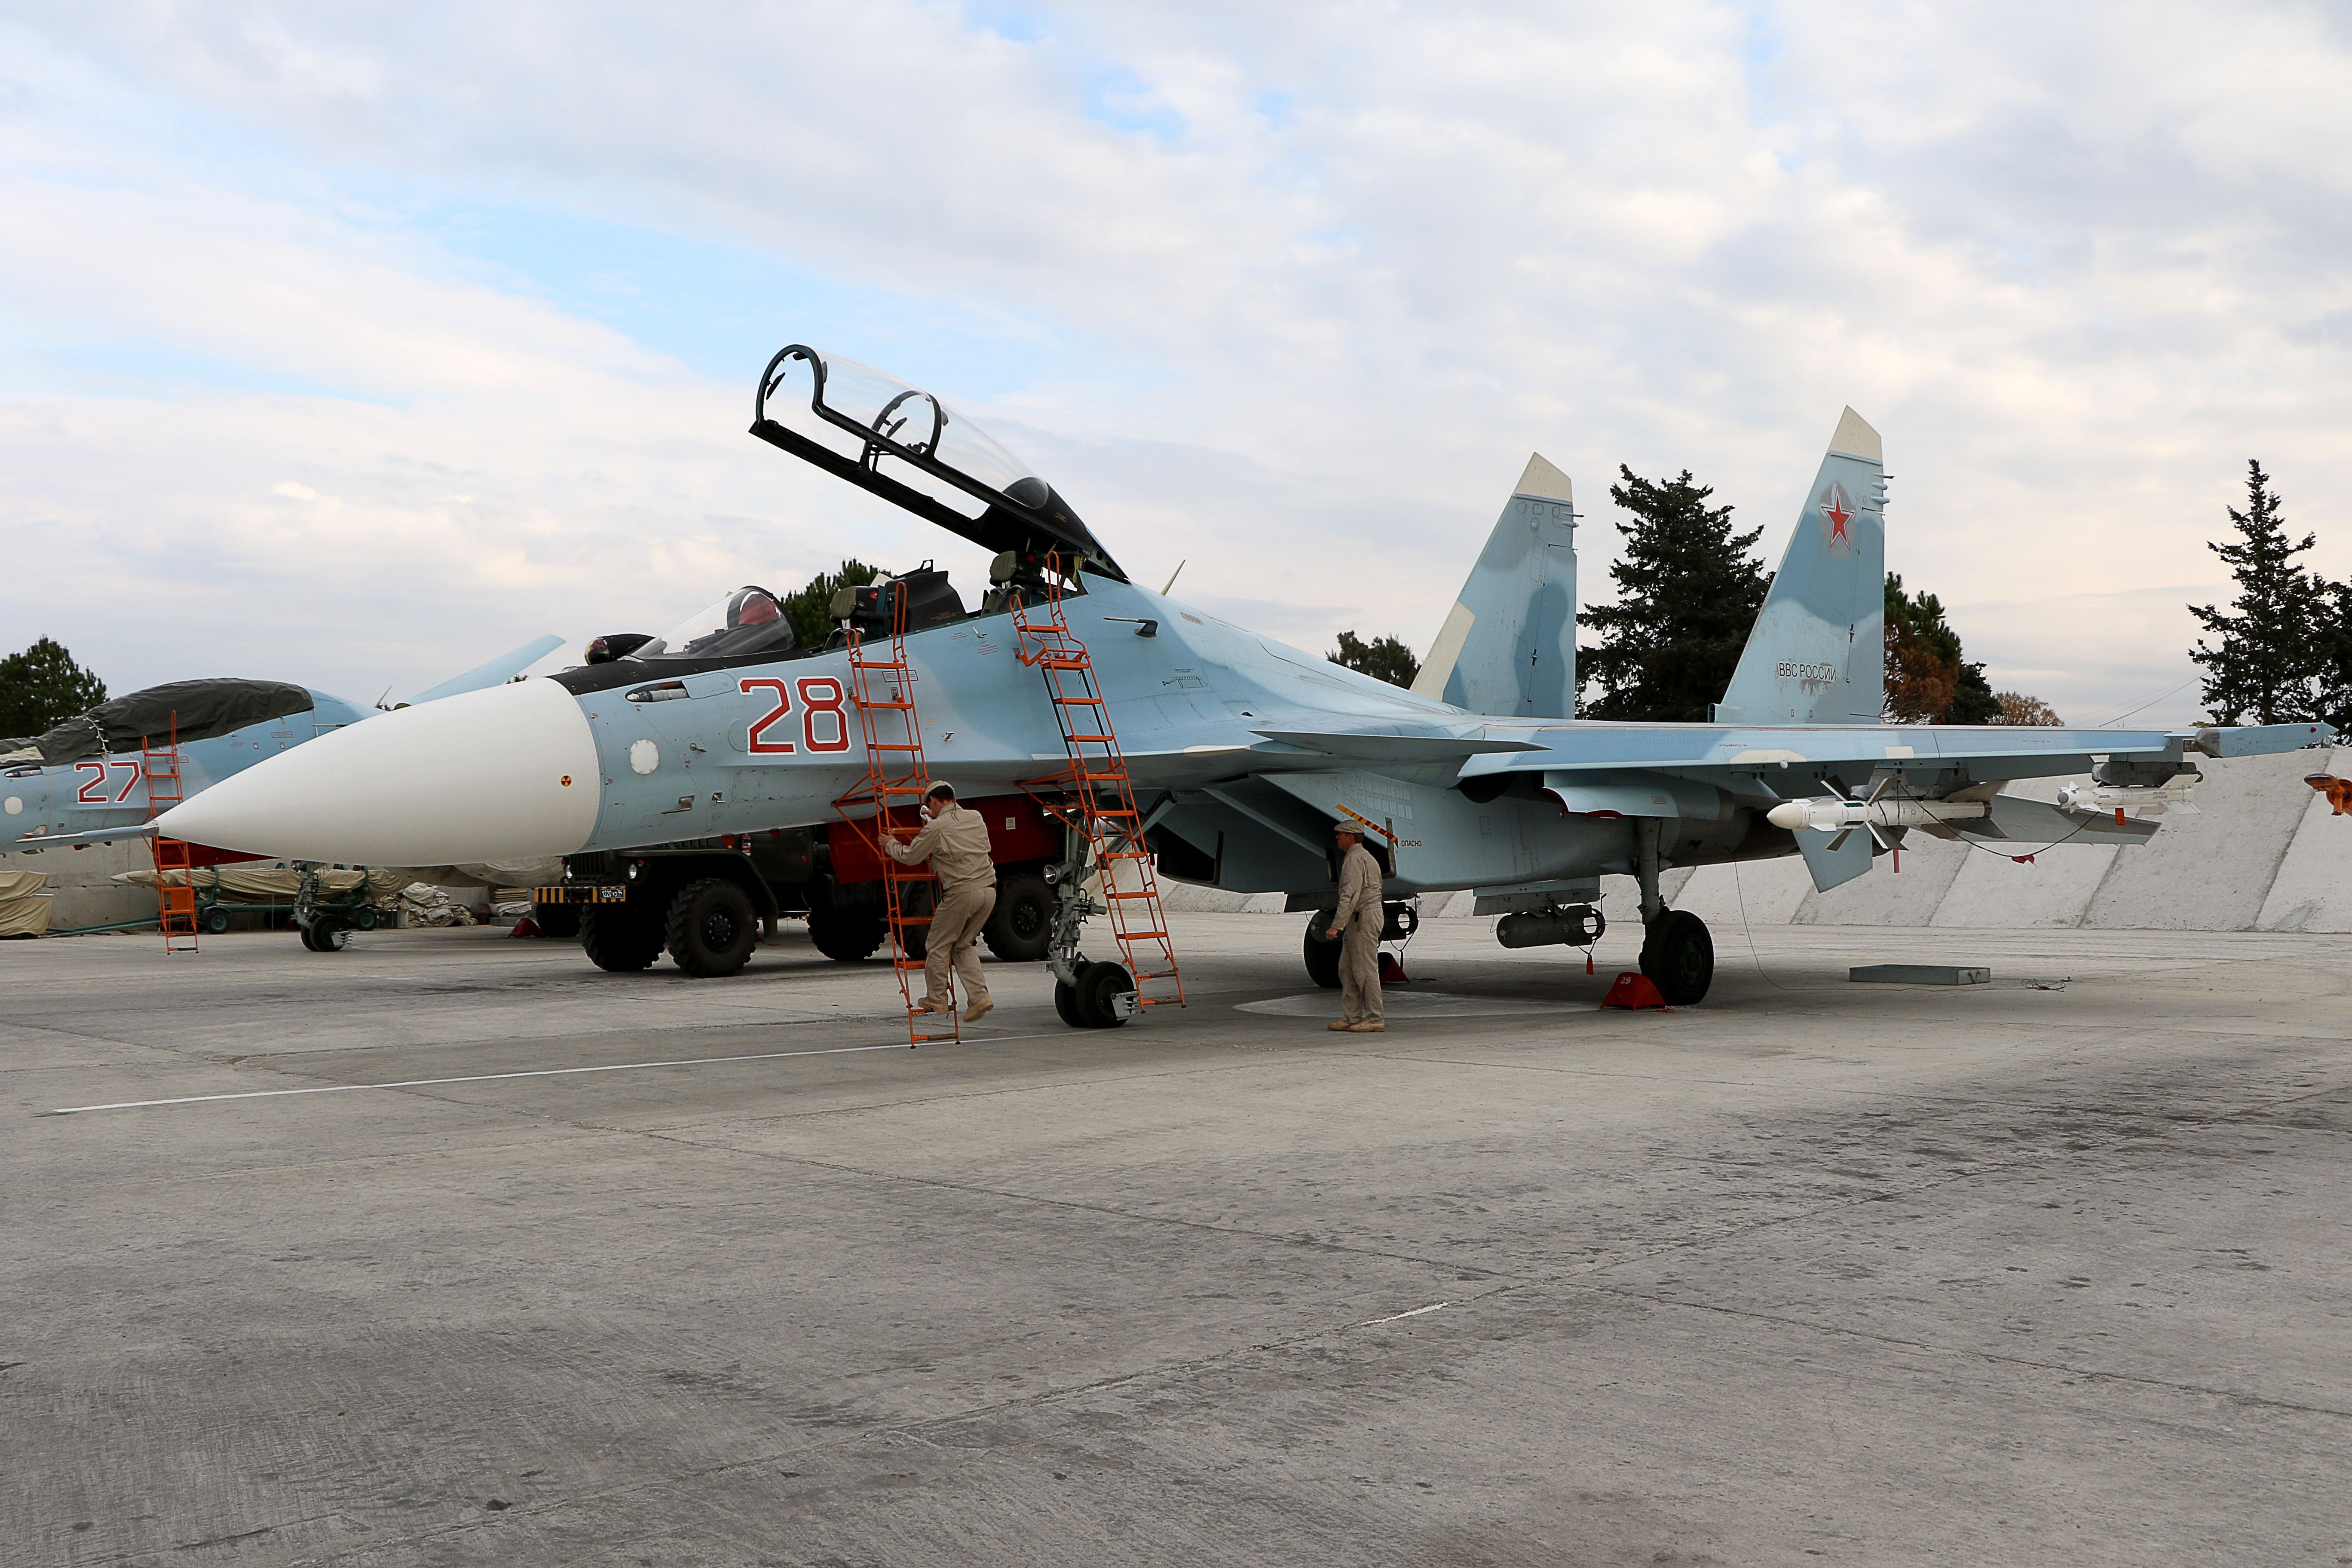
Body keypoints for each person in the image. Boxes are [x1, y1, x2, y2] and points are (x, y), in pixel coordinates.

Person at [885, 782, 997, 1023]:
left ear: (934, 800)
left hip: (963, 893)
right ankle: (980, 997)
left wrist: (890, 845)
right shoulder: (976, 817)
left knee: (937, 944)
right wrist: (932, 823)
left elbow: (911, 856)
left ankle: (937, 998)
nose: (929, 810)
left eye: (929, 806)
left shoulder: (936, 828)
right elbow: (958, 836)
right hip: (989, 890)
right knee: (963, 945)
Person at [1325, 821, 1385, 1033]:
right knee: (1347, 969)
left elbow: (1350, 896)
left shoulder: (1355, 860)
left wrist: (1336, 926)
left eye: (1340, 834)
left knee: (1365, 970)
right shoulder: (1362, 857)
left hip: (1364, 917)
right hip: (1359, 917)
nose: (1337, 838)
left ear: (1351, 838)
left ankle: (1375, 1018)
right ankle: (1352, 1017)